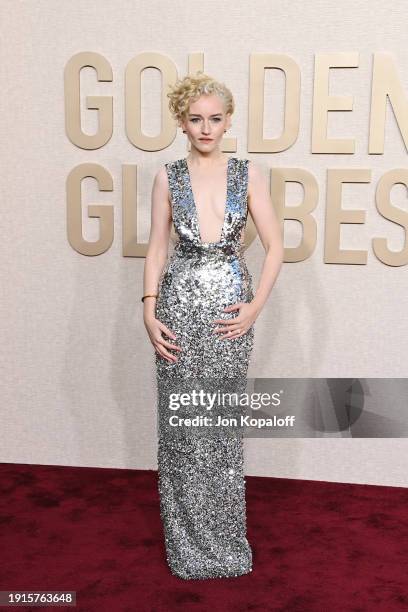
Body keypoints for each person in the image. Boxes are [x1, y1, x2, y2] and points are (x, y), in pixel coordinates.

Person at [143, 72, 284, 580]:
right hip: (177, 309)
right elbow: (157, 248)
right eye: (196, 119)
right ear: (182, 122)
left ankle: (224, 543)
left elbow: (276, 248)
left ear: (229, 121)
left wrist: (255, 308)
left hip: (230, 313)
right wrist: (148, 307)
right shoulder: (168, 175)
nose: (206, 128)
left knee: (219, 428)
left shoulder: (248, 174)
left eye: (216, 119)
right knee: (181, 429)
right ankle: (186, 546)